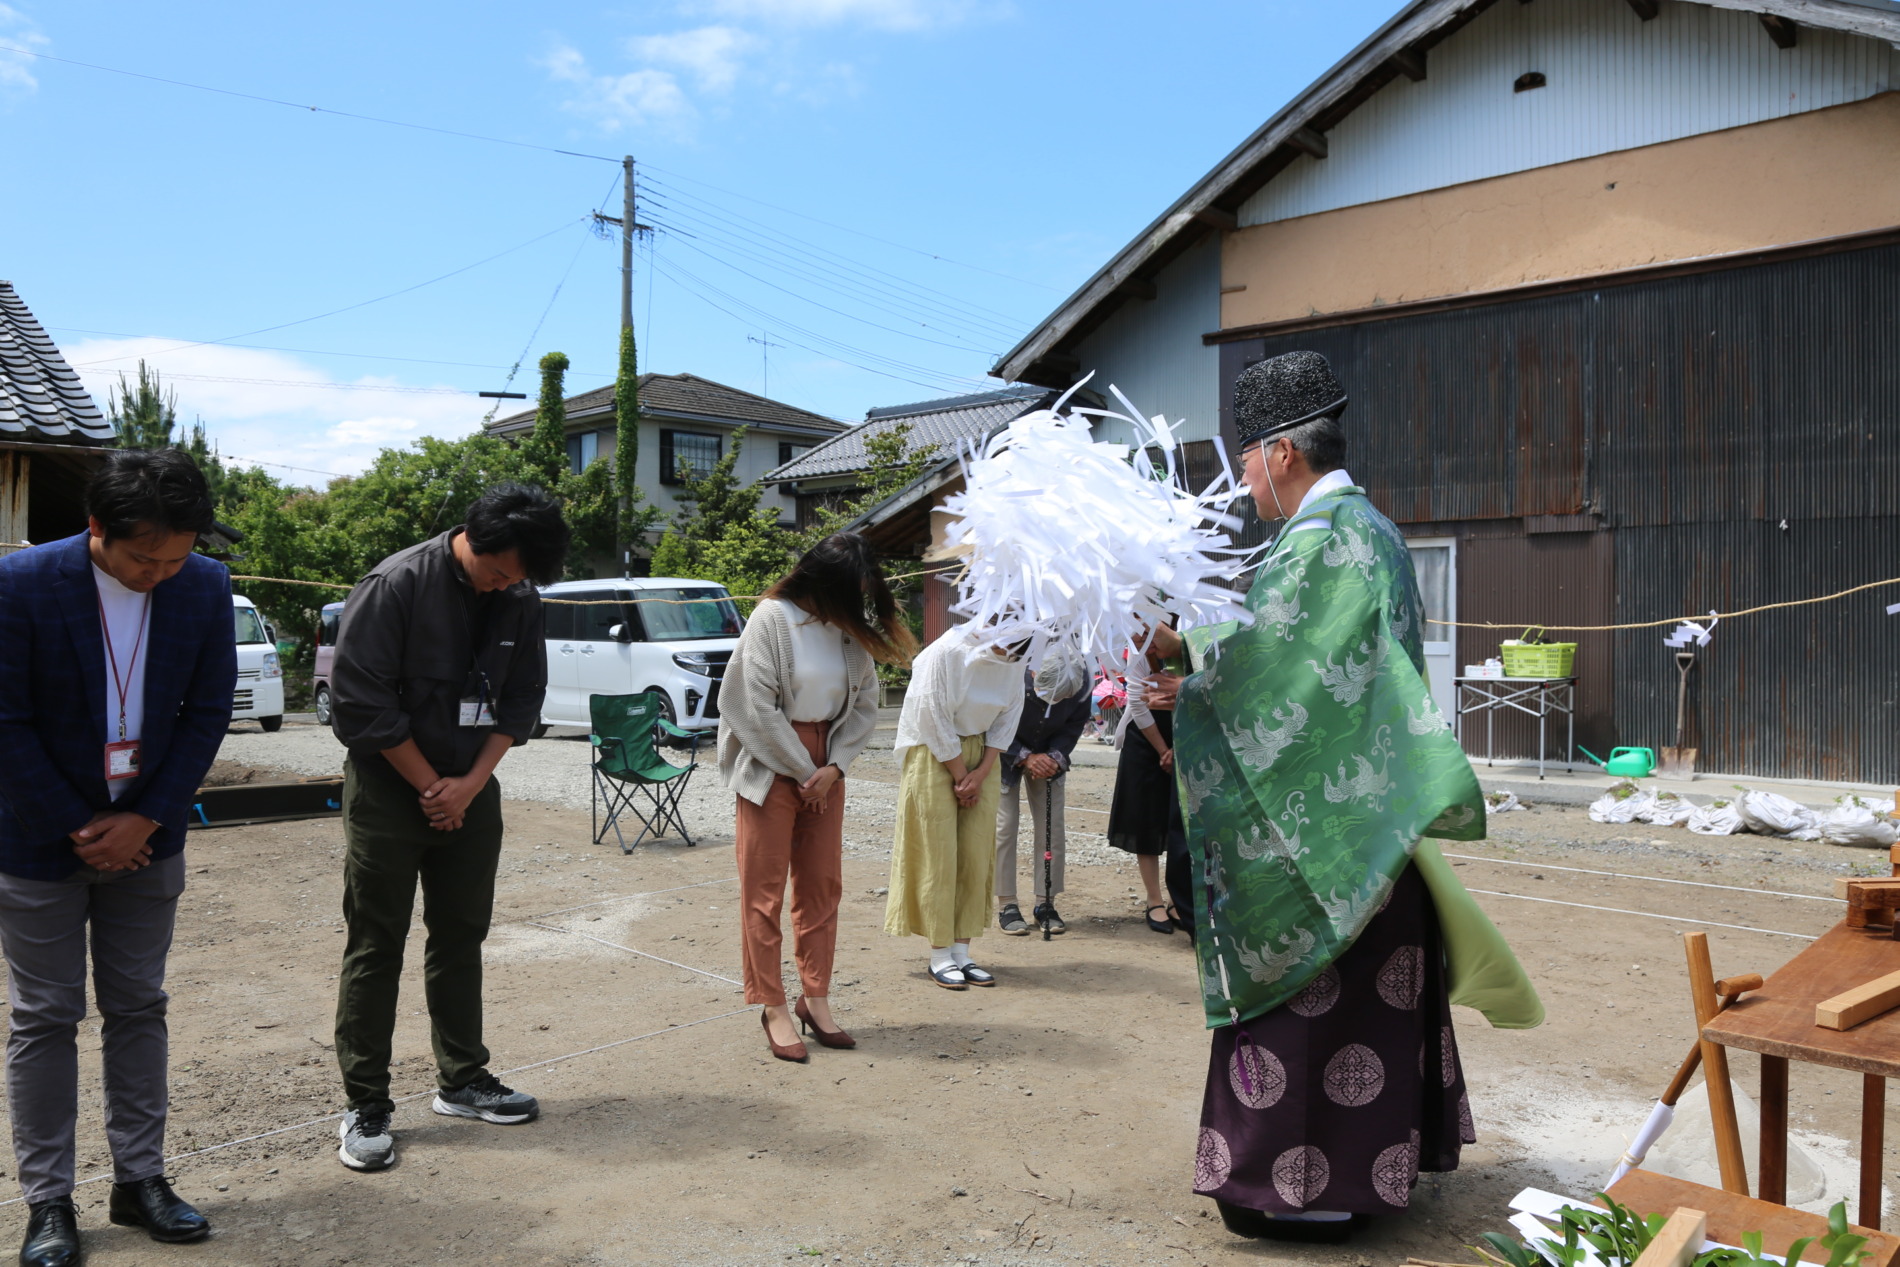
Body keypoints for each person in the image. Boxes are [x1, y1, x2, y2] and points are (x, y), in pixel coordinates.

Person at [1152, 351, 1542, 1241]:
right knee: (1369, 1001)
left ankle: (1307, 1192)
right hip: (1369, 826)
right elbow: (1305, 655)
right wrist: (1194, 651)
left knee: (1312, 1008)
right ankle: (1363, 1175)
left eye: (1247, 457)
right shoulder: (1373, 531)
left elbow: (1291, 676)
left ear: (1282, 451)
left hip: (1319, 846)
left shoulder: (1323, 539)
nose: (1243, 478)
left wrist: (1196, 684)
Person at [0, 449, 234, 1266]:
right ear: (97, 527)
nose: (161, 573)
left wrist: (147, 818)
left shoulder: (201, 585)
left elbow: (207, 711)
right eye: (144, 558)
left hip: (151, 834)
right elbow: (6, 721)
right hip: (36, 836)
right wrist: (80, 822)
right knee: (45, 1015)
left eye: (176, 557)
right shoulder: (21, 582)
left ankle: (140, 1179)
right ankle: (48, 1201)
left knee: (139, 1005)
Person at [327, 482, 570, 1173]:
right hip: (389, 788)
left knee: (462, 933)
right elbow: (360, 703)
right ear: (475, 537)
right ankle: (366, 1102)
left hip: (470, 789)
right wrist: (431, 786)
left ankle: (463, 1078)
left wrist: (467, 784)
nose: (506, 586)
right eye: (498, 572)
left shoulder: (520, 599)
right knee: (377, 940)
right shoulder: (395, 584)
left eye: (519, 577)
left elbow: (522, 700)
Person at [718, 533, 916, 1062]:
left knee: (822, 886)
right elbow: (748, 703)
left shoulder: (845, 629)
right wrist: (807, 769)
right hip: (769, 760)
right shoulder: (771, 618)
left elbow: (867, 702)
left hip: (827, 762)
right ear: (823, 582)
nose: (857, 605)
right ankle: (772, 1004)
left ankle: (816, 997)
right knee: (764, 893)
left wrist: (834, 767)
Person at [883, 626, 1023, 988]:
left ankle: (962, 951)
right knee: (937, 851)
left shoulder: (1021, 653)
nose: (1016, 655)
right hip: (933, 749)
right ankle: (939, 953)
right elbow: (932, 714)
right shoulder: (949, 650)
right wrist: (962, 775)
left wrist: (983, 771)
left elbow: (1009, 714)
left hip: (982, 753)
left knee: (976, 852)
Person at [1106, 633, 1195, 937]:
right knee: (1145, 815)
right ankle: (1154, 898)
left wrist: (1178, 750)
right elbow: (1137, 701)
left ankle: (1178, 900)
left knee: (1182, 819)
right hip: (1145, 737)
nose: (1142, 639)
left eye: (1148, 633)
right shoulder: (1140, 650)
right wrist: (1163, 752)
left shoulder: (1194, 642)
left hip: (1187, 731)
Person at [994, 655, 1088, 936]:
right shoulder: (1008, 677)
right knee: (1004, 827)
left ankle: (1045, 902)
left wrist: (1054, 757)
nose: (1052, 705)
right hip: (1002, 754)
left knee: (1051, 830)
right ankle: (1007, 903)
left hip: (1049, 759)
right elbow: (993, 722)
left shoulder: (1081, 681)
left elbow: (1074, 724)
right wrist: (1024, 756)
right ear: (1033, 674)